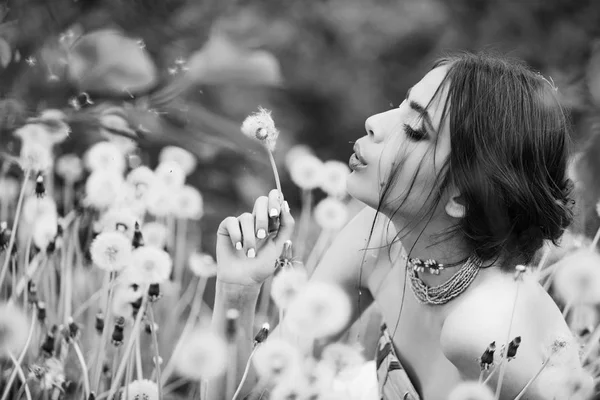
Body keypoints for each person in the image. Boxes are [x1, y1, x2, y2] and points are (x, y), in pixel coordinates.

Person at [208, 52, 588, 400]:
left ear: (463, 199)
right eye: (402, 106)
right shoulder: (377, 242)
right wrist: (238, 290)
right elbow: (257, 391)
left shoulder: (485, 331)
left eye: (415, 129)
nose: (374, 122)